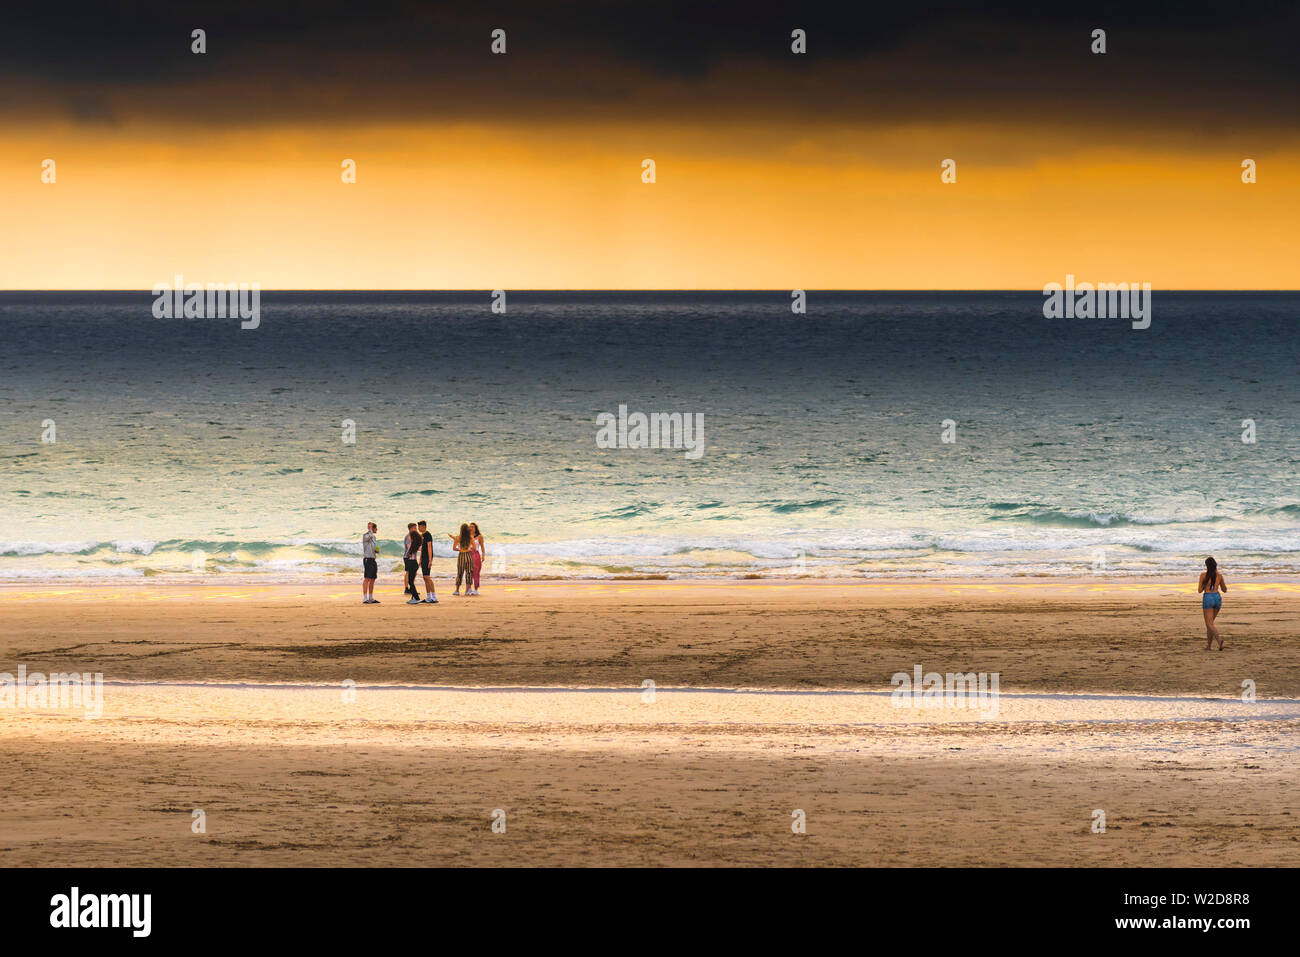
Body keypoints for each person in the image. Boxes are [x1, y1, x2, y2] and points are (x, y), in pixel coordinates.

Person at [1198, 556, 1227, 650]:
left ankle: (1219, 639)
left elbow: (1199, 590)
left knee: (1209, 624)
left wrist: (1205, 585)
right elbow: (1224, 590)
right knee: (1210, 624)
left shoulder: (1203, 575)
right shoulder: (1219, 575)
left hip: (1208, 598)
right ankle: (1209, 646)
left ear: (1207, 566)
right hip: (1217, 598)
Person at [449, 523, 475, 596]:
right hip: (469, 555)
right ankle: (467, 590)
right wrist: (469, 548)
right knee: (469, 573)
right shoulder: (471, 537)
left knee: (460, 573)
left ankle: (457, 590)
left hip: (461, 556)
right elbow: (474, 548)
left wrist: (460, 549)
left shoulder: (458, 537)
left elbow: (454, 548)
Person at [417, 520, 438, 604]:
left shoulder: (428, 535)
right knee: (425, 577)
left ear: (423, 526)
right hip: (423, 558)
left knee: (427, 577)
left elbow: (429, 547)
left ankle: (434, 596)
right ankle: (428, 597)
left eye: (419, 527)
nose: (418, 528)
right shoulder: (422, 535)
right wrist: (420, 560)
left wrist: (430, 560)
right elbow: (422, 549)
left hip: (427, 558)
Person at [403, 523, 422, 604]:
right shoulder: (415, 543)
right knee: (411, 580)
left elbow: (408, 552)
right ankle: (413, 596)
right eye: (415, 528)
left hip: (411, 562)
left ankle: (416, 597)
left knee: (411, 581)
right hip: (413, 562)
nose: (416, 529)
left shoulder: (413, 544)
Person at [362, 522, 380, 604]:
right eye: (376, 528)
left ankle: (371, 598)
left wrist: (376, 550)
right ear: (372, 528)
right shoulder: (366, 535)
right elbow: (368, 538)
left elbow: (373, 545)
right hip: (367, 559)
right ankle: (365, 598)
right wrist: (370, 529)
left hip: (373, 559)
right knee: (367, 578)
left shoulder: (374, 537)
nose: (377, 530)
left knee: (373, 579)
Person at [469, 522, 485, 594]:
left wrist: (483, 556)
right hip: (468, 554)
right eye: (470, 527)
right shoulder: (467, 536)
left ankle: (476, 589)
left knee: (476, 572)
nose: (471, 528)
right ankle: (468, 588)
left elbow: (482, 547)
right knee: (469, 572)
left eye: (472, 527)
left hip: (476, 554)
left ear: (475, 529)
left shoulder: (479, 537)